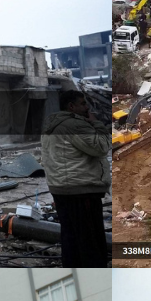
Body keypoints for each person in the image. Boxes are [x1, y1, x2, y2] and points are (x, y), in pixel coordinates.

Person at [41, 90, 112, 268]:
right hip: (81, 190)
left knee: (71, 238)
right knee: (90, 240)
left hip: (61, 189)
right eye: (82, 103)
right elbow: (102, 146)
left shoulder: (53, 124)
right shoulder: (75, 125)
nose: (87, 107)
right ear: (71, 106)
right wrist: (97, 124)